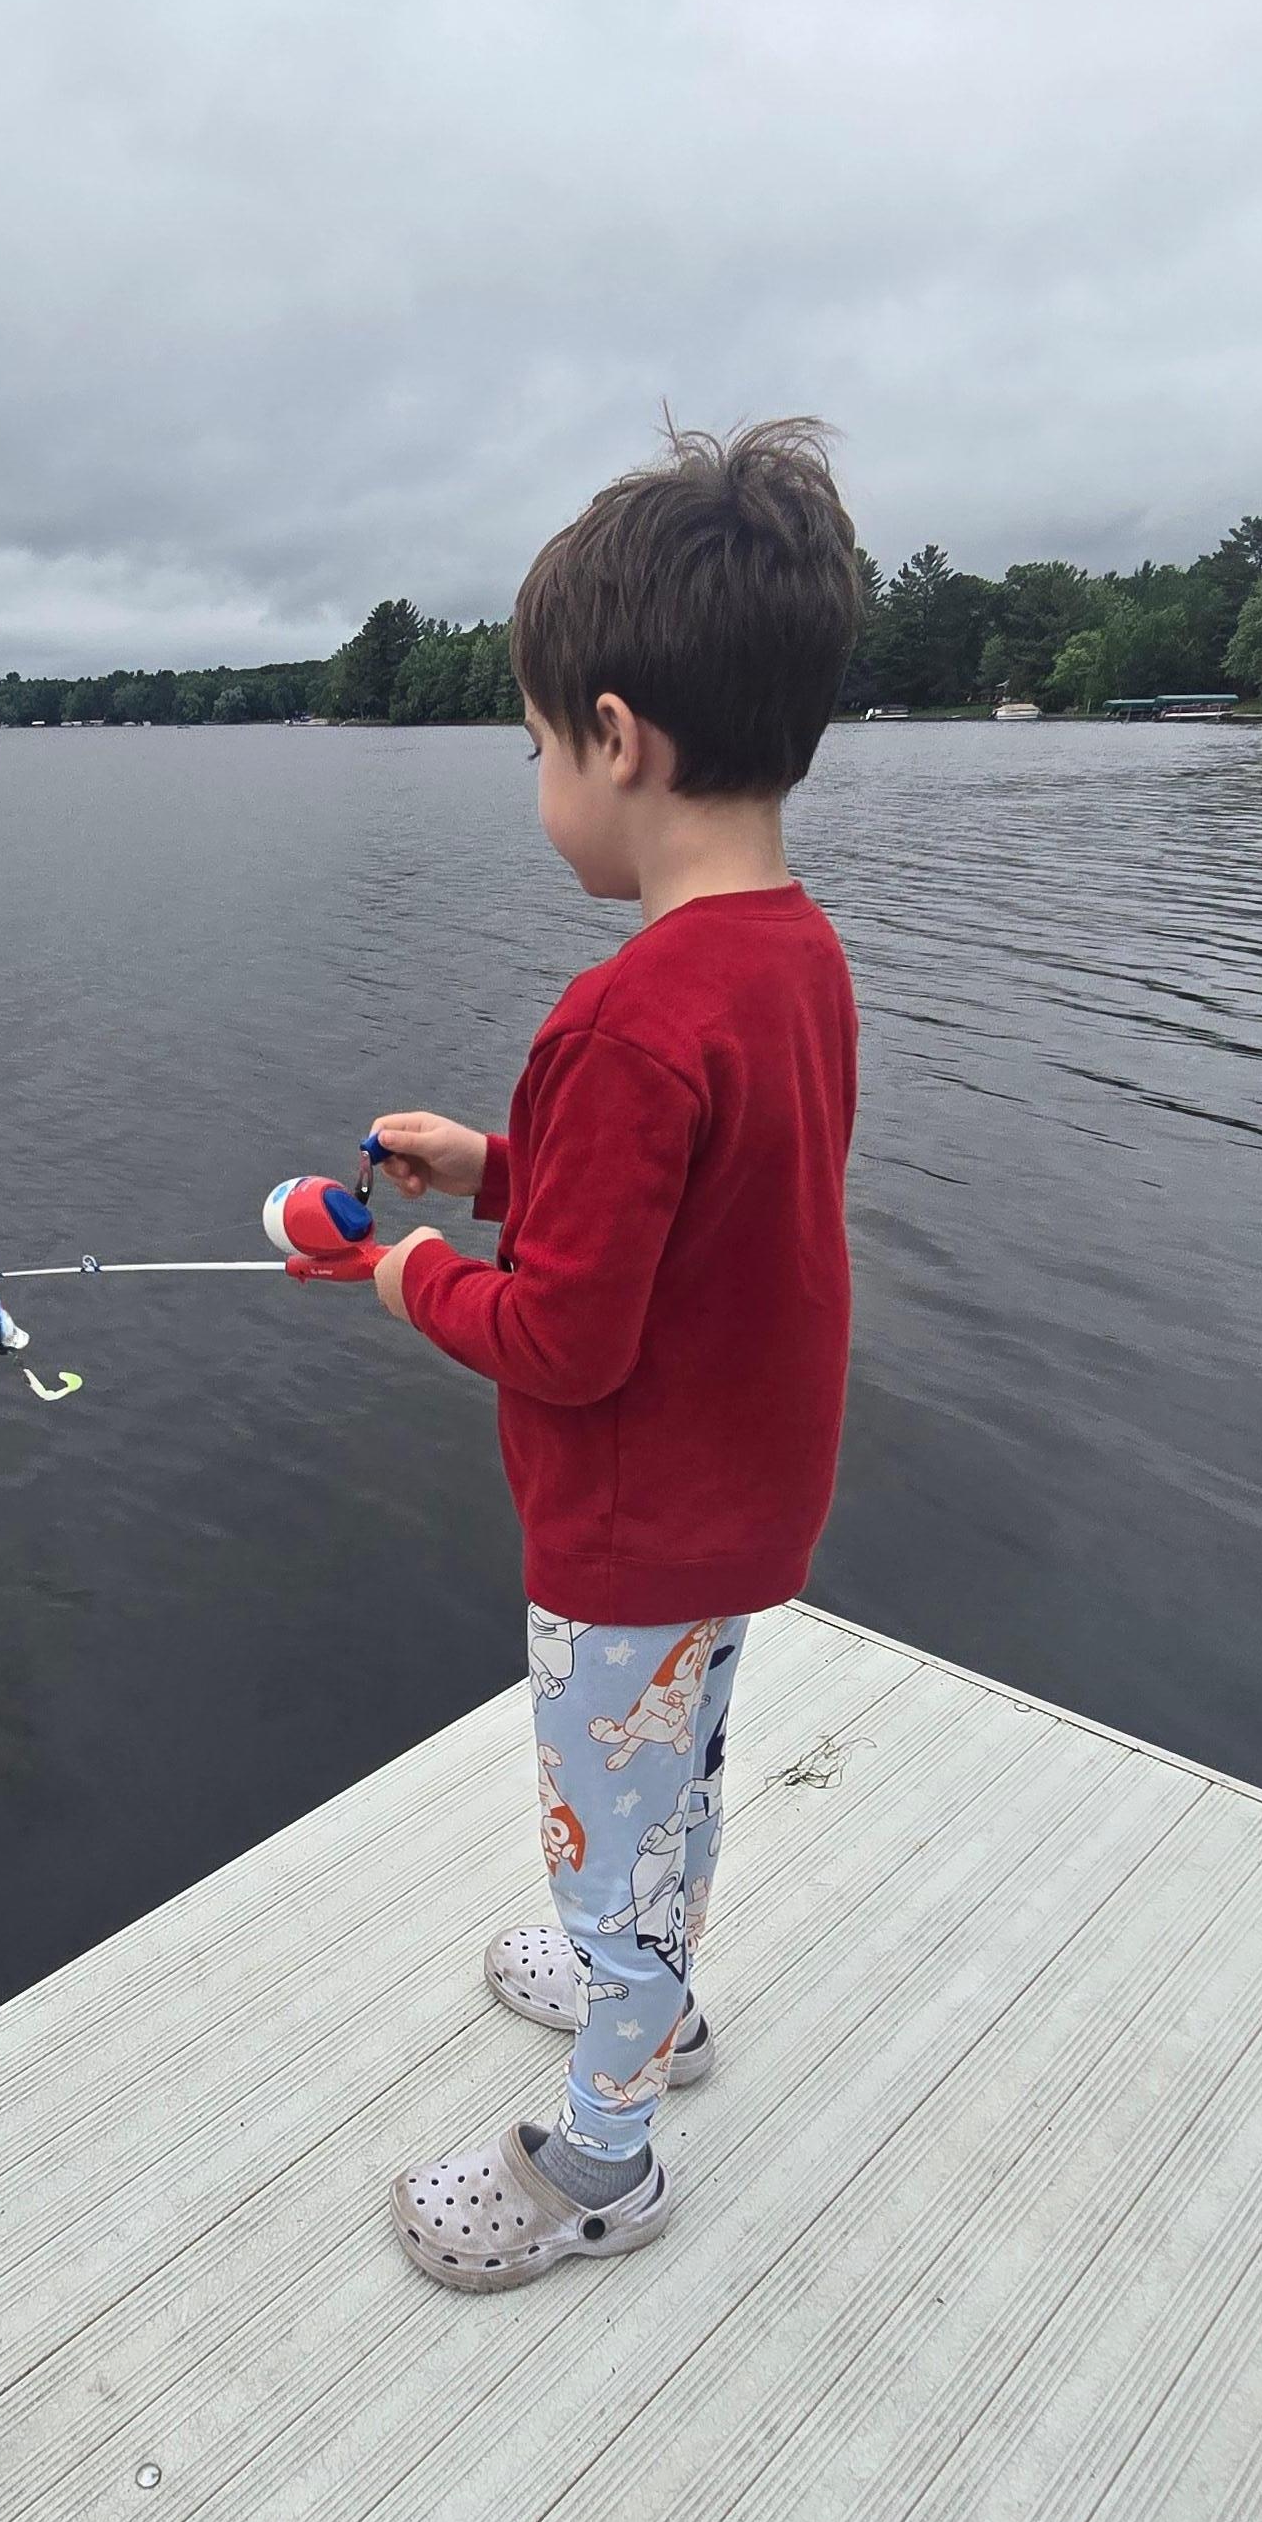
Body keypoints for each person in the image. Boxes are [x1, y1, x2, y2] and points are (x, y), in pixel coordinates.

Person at [364, 420, 863, 2288]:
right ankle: (649, 1983)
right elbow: (691, 1213)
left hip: (633, 1530)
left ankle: (604, 2155)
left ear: (615, 736)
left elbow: (568, 1339)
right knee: (676, 1786)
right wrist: (496, 1170)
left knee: (612, 1838)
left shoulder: (627, 1016)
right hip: (736, 1502)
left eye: (533, 747)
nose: (539, 783)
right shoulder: (794, 957)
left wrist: (416, 1273)